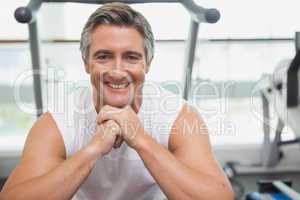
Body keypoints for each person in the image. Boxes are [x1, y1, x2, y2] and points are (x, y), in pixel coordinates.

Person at [0, 2, 233, 200]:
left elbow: (220, 197)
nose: (118, 71)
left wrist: (140, 139)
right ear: (86, 62)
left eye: (131, 57)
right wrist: (94, 149)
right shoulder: (58, 122)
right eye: (104, 56)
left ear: (148, 63)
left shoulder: (178, 116)